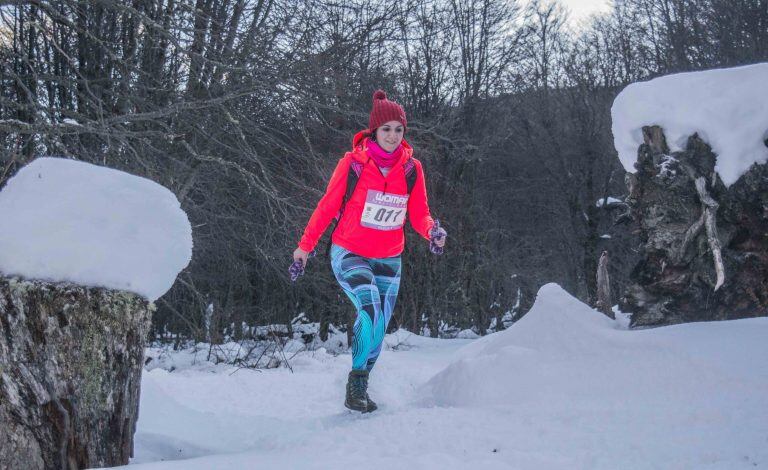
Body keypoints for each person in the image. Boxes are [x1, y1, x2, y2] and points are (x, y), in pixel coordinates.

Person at [292, 90, 446, 413]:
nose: (392, 136)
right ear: (374, 130)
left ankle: (361, 382)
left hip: (390, 258)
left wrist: (432, 231)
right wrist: (304, 247)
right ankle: (356, 383)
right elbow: (326, 206)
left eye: (398, 130)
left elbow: (419, 213)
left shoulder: (411, 170)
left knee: (378, 328)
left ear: (404, 133)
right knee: (371, 309)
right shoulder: (354, 164)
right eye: (386, 129)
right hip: (349, 253)